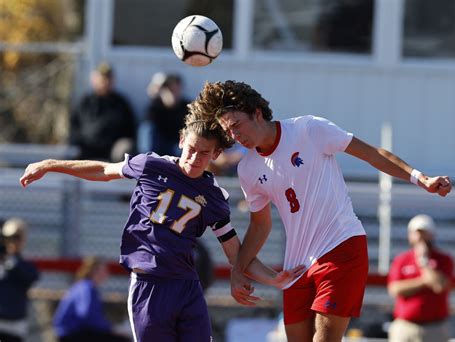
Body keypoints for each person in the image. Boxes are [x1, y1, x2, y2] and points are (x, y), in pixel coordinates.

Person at [188, 80, 452, 342]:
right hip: (298, 265)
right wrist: (238, 271)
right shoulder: (248, 170)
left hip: (341, 247)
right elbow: (260, 225)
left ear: (257, 113)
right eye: (228, 131)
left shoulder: (309, 129)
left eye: (236, 125)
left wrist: (421, 178)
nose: (235, 136)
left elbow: (372, 154)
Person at [20, 111, 305, 342]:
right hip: (150, 284)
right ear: (181, 140)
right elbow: (103, 171)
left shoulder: (214, 198)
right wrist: (50, 164)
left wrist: (272, 278)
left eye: (204, 153)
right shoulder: (151, 166)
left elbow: (235, 253)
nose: (194, 159)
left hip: (187, 286)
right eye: (191, 149)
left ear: (216, 155)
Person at [387, 214, 454, 342]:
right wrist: (424, 281)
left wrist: (423, 261)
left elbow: (440, 286)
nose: (420, 237)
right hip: (405, 326)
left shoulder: (444, 259)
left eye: (424, 233)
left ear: (431, 235)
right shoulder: (402, 260)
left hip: (435, 327)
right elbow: (395, 289)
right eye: (416, 233)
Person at [69, 62, 136, 161]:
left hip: (112, 150)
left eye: (108, 78)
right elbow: (74, 126)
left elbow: (130, 130)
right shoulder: (84, 102)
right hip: (86, 149)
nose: (105, 82)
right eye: (102, 78)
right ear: (93, 79)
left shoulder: (121, 103)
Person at [53, 256, 130, 342]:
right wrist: (110, 329)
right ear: (94, 271)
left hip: (72, 332)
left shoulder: (82, 286)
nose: (107, 273)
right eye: (104, 270)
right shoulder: (87, 288)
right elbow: (86, 314)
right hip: (72, 334)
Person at [0, 218, 40, 342]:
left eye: (17, 238)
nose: (13, 242)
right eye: (10, 237)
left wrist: (11, 259)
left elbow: (31, 277)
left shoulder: (22, 265)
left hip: (15, 325)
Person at [138, 73, 189, 156]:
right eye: (170, 89)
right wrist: (155, 93)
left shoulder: (187, 106)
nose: (173, 93)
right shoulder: (155, 105)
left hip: (177, 145)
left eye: (176, 89)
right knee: (147, 127)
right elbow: (148, 123)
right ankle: (147, 160)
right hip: (158, 144)